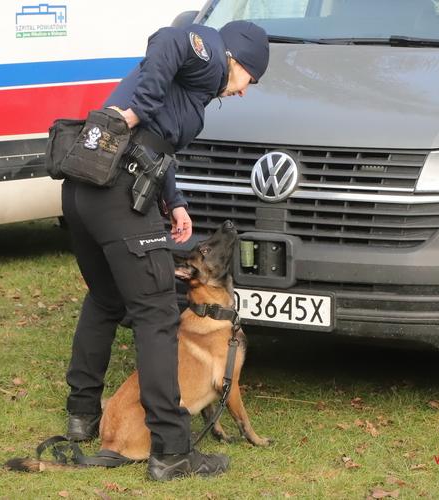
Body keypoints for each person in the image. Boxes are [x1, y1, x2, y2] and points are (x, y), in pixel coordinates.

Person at [60, 20, 269, 481]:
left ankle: (82, 415)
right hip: (115, 189)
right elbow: (171, 38)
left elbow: (158, 144)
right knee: (157, 314)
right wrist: (135, 111)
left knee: (106, 298)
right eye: (250, 79)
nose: (243, 91)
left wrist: (174, 201)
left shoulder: (196, 85)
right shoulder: (209, 52)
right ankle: (172, 450)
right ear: (235, 59)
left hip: (84, 186)